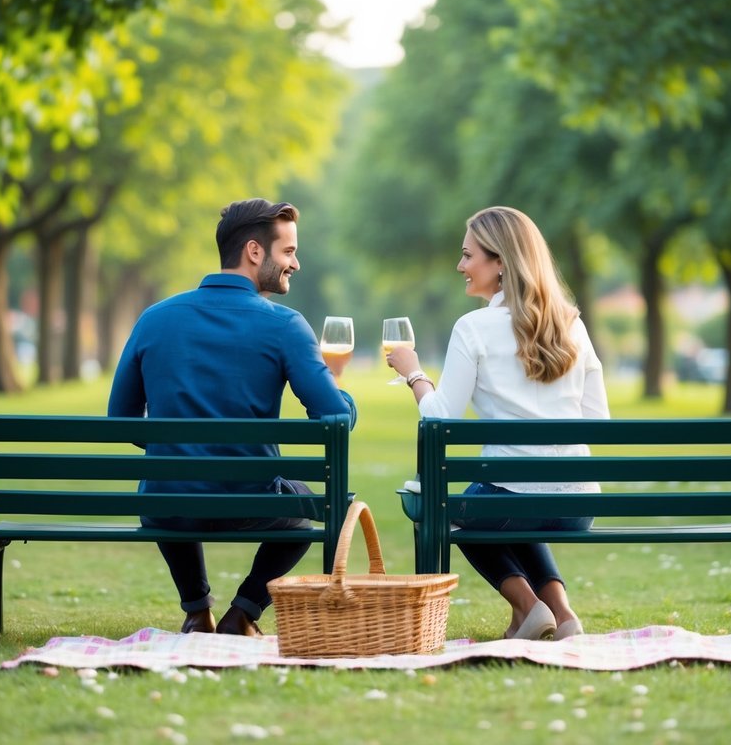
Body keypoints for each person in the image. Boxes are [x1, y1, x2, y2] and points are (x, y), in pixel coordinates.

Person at [108, 198, 357, 637]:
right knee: (308, 511)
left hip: (166, 504)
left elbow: (122, 419)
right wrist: (337, 387)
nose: (295, 263)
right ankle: (242, 613)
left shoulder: (154, 318)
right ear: (255, 252)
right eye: (289, 251)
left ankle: (196, 609)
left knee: (172, 486)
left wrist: (186, 450)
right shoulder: (285, 324)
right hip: (248, 501)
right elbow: (334, 419)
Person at [386, 206, 609, 641]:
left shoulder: (473, 328)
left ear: (501, 262)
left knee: (456, 513)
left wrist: (414, 373)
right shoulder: (571, 323)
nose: (460, 266)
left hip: (510, 499)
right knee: (514, 503)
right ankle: (562, 615)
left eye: (468, 255)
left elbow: (440, 420)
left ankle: (528, 607)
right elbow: (596, 419)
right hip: (578, 505)